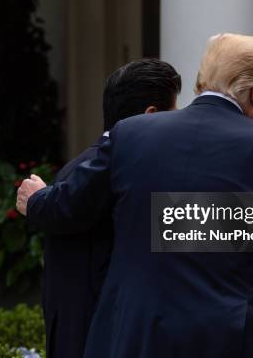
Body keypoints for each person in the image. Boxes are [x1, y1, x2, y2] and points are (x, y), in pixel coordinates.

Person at [17, 33, 253, 358]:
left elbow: (72, 205)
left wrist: (36, 199)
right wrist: (250, 295)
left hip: (138, 335)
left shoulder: (131, 133)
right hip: (234, 335)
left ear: (203, 80)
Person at [38, 59, 181, 358]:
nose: (179, 123)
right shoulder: (123, 173)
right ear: (150, 115)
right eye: (175, 112)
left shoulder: (75, 170)